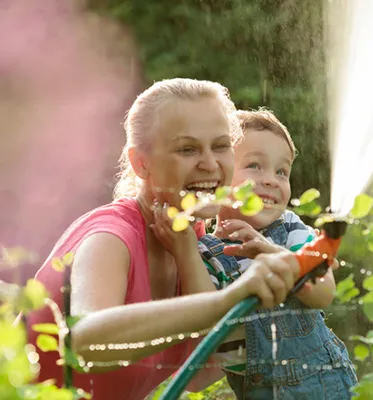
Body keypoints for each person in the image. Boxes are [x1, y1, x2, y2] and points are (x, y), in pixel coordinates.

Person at [26, 79, 305, 400]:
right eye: (187, 149)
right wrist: (226, 301)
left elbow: (200, 374)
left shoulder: (195, 242)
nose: (210, 164)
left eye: (220, 145)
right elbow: (85, 344)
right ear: (140, 163)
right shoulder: (110, 236)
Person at [197, 109, 357, 399]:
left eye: (282, 171)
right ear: (219, 176)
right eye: (255, 165)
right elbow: (209, 330)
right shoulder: (208, 253)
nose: (271, 179)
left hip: (331, 388)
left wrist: (272, 253)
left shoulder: (293, 231)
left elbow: (323, 294)